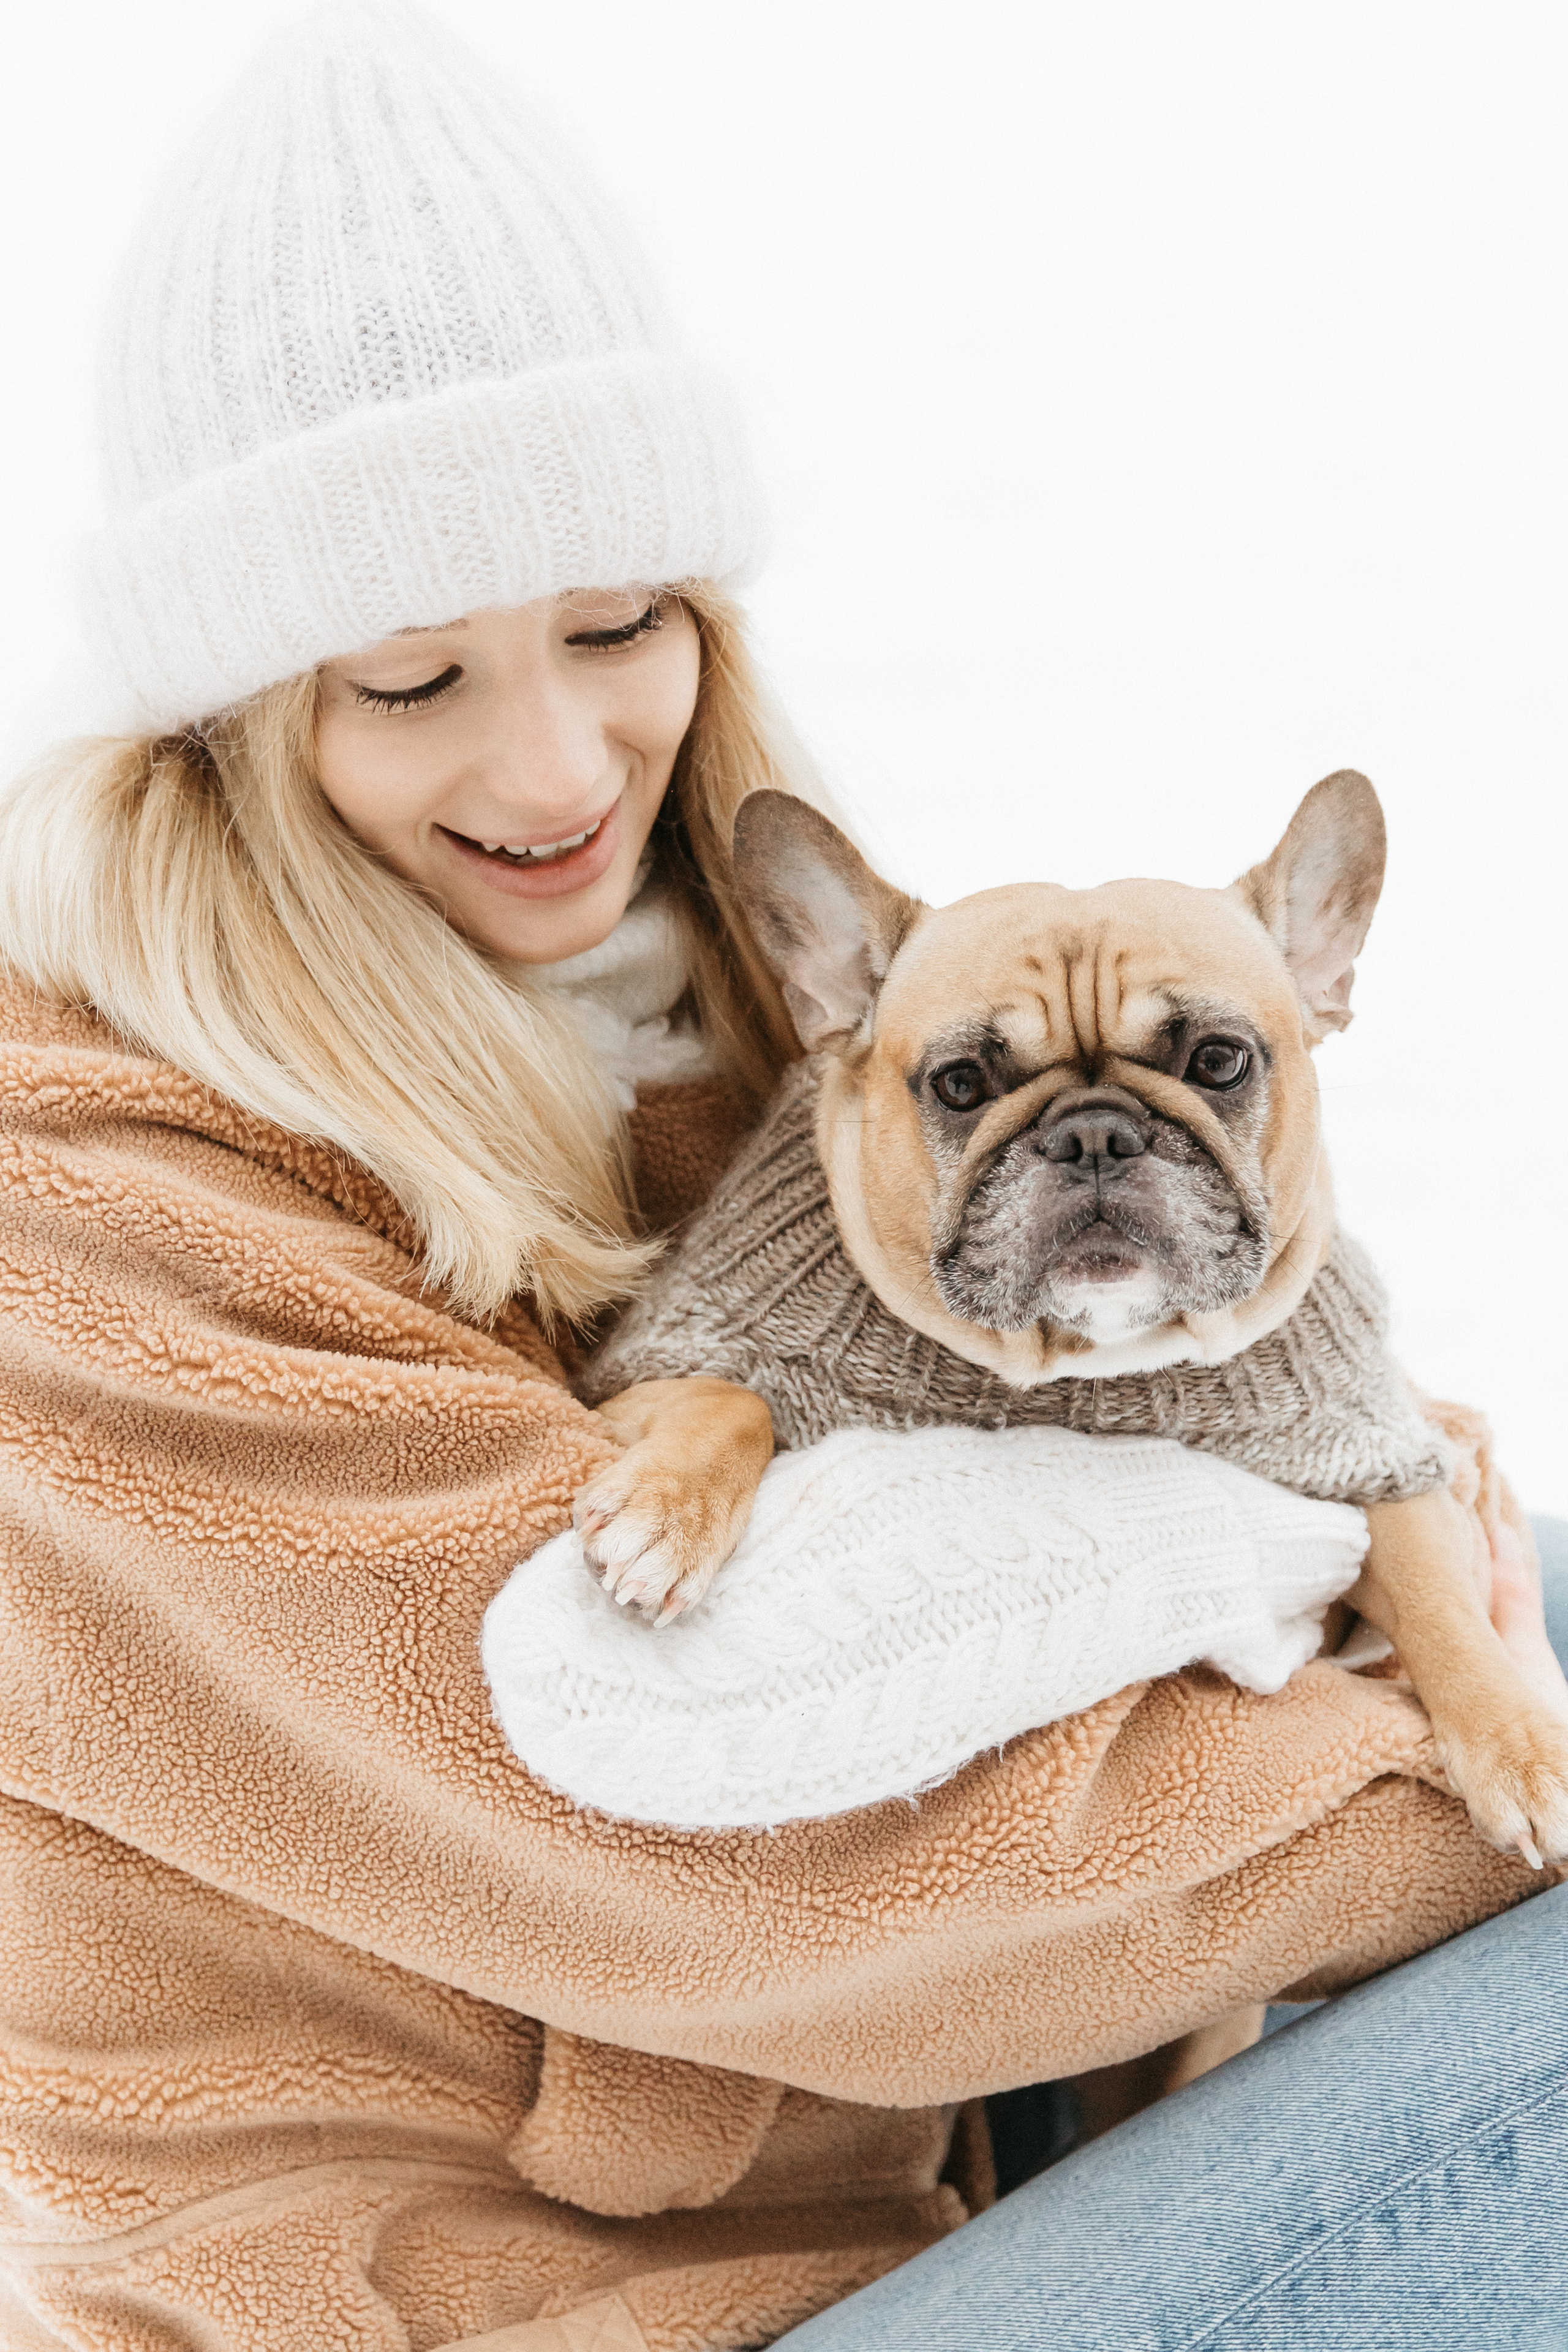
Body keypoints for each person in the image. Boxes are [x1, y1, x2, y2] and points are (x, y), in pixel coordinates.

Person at [0, 8, 1556, 2348]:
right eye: (410, 680)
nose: (557, 766)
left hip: (894, 2213)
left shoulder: (748, 1035)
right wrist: (1474, 1760)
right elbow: (729, 1844)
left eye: (615, 625)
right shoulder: (80, 1213)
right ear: (225, 722)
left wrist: (1397, 1511)